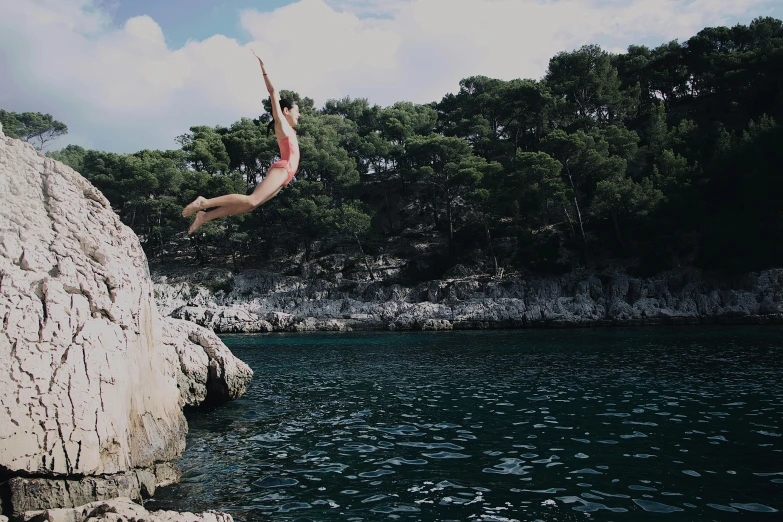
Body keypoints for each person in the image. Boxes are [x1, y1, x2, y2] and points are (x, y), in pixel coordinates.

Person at [182, 50, 300, 234]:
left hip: (287, 175)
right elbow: (273, 92)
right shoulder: (281, 123)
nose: (299, 114)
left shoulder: (290, 129)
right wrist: (264, 67)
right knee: (251, 199)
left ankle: (205, 216)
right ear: (286, 111)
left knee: (250, 206)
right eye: (296, 110)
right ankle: (204, 202)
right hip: (283, 168)